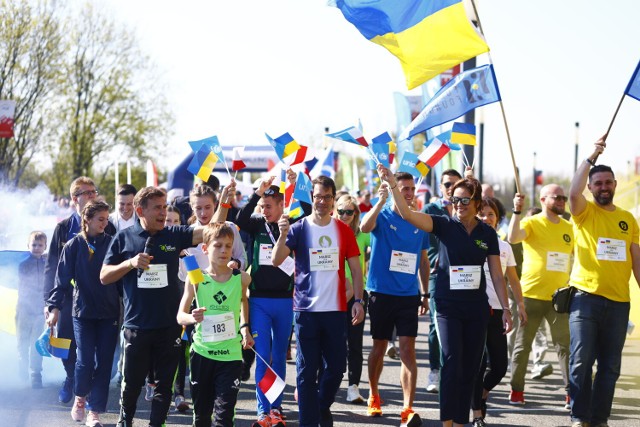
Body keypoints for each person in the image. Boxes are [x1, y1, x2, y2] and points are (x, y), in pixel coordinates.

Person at [377, 164, 513, 427]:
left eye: (464, 200)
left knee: (471, 366)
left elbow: (497, 275)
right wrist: (393, 184)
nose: (459, 204)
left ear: (476, 203)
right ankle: (447, 422)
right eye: (455, 199)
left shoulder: (487, 234)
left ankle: (461, 421)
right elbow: (406, 213)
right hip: (448, 306)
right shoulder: (443, 225)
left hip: (476, 307)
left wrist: (506, 309)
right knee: (451, 360)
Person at [100, 186, 205, 427]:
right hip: (136, 327)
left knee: (164, 387)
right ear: (140, 210)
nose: (162, 212)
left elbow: (209, 232)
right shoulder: (124, 238)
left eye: (164, 206)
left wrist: (226, 204)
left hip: (169, 326)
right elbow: (104, 276)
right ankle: (125, 421)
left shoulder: (174, 234)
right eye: (157, 208)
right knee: (132, 385)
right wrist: (130, 263)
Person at [272, 175, 365, 427]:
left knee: (336, 369)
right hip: (306, 311)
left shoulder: (343, 230)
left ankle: (321, 406)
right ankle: (309, 422)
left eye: (327, 197)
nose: (322, 201)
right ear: (311, 198)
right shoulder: (299, 228)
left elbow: (356, 270)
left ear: (333, 199)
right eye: (317, 197)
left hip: (335, 310)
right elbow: (276, 260)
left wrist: (358, 300)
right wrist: (282, 235)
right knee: (306, 371)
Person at [567, 137, 640, 427]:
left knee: (610, 367)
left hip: (619, 303)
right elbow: (572, 191)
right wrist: (590, 158)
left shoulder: (628, 220)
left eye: (608, 182)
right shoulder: (583, 212)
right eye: (598, 183)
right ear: (590, 187)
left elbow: (637, 261)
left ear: (615, 185)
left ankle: (599, 419)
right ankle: (578, 415)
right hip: (585, 298)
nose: (604, 187)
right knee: (581, 362)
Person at [233, 173, 310, 427]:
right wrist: (259, 192)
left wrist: (298, 184)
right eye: (262, 206)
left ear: (280, 205)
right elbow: (240, 218)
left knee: (278, 355)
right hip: (259, 301)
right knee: (263, 354)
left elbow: (309, 213)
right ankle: (262, 411)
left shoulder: (291, 222)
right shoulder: (256, 224)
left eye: (268, 206)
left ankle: (276, 409)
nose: (264, 210)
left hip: (286, 300)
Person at [360, 173, 429, 427]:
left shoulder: (419, 221)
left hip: (408, 295)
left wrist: (425, 293)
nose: (409, 193)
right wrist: (379, 202)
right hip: (381, 293)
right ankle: (374, 395)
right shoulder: (384, 214)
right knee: (378, 348)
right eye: (404, 189)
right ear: (393, 190)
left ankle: (407, 408)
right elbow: (364, 227)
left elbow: (423, 261)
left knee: (407, 350)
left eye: (411, 189)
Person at [45, 200, 119, 427]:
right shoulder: (73, 245)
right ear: (86, 219)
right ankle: (80, 397)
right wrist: (54, 308)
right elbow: (61, 280)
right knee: (84, 361)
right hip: (82, 312)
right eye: (100, 219)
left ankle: (94, 412)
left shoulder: (113, 243)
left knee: (105, 363)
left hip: (109, 313)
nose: (105, 224)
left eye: (107, 219)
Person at [177, 222, 254, 427]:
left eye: (228, 246)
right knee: (202, 418)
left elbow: (243, 301)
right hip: (202, 354)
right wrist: (193, 318)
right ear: (205, 248)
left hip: (231, 356)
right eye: (218, 245)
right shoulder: (196, 277)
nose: (223, 250)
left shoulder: (241, 278)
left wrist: (245, 327)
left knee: (224, 417)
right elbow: (180, 316)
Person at [508, 184, 573, 407]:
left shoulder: (569, 227)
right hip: (531, 296)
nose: (563, 201)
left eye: (564, 197)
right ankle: (517, 391)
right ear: (543, 199)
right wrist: (517, 211)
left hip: (560, 298)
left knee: (564, 347)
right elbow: (513, 237)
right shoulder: (531, 222)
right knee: (522, 346)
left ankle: (570, 394)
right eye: (558, 197)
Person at [471, 198, 527, 427]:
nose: (486, 218)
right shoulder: (470, 241)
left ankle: (481, 394)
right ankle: (477, 412)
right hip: (474, 310)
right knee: (479, 363)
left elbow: (512, 279)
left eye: (491, 214)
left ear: (498, 218)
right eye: (482, 214)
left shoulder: (504, 247)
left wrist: (519, 306)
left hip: (498, 310)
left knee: (500, 366)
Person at [421, 168, 462, 393]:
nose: (451, 188)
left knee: (460, 323)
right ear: (441, 187)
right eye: (447, 184)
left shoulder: (464, 209)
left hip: (463, 276)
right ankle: (435, 370)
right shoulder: (431, 209)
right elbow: (425, 249)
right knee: (437, 324)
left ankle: (454, 370)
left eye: (456, 185)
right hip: (439, 275)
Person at [334, 195, 370, 405]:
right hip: (333, 293)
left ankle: (353, 387)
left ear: (356, 214)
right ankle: (329, 382)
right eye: (341, 211)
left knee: (354, 344)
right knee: (333, 341)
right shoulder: (329, 232)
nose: (345, 216)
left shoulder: (362, 234)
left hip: (356, 295)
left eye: (350, 212)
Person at [164, 205, 191, 413]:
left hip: (181, 307)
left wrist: (182, 257)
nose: (170, 225)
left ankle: (179, 393)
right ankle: (153, 381)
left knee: (180, 350)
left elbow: (194, 279)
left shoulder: (187, 252)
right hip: (159, 309)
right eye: (167, 221)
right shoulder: (154, 246)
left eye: (174, 221)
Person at [17, 231, 47, 389]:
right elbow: (24, 287)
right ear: (28, 246)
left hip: (40, 311)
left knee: (37, 342)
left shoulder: (47, 264)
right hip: (24, 309)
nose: (36, 248)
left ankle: (36, 373)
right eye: (34, 245)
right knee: (22, 341)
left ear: (45, 247)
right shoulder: (24, 265)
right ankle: (22, 364)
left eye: (40, 245)